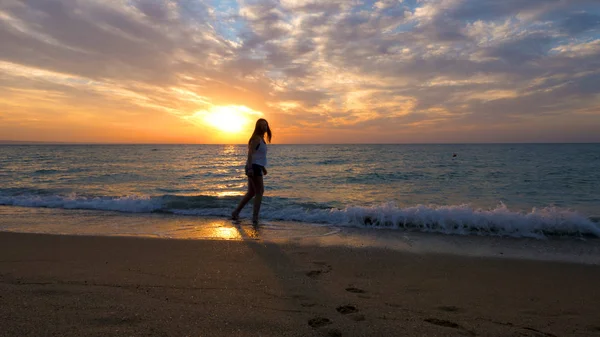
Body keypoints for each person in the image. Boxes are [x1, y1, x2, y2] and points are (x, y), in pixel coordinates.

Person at [231, 118, 272, 224]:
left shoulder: (261, 139)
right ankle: (255, 217)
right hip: (253, 167)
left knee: (251, 192)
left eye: (266, 125)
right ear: (258, 127)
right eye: (262, 125)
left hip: (257, 166)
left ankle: (236, 212)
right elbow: (250, 154)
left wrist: (263, 167)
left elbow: (258, 156)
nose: (264, 127)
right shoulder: (256, 139)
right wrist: (249, 168)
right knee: (259, 192)